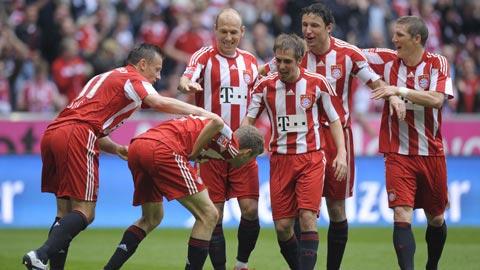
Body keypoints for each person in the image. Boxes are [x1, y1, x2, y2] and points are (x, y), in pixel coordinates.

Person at [22, 43, 214, 270]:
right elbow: (158, 102)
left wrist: (115, 148)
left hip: (55, 132)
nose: (158, 76)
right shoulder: (134, 78)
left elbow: (85, 119)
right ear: (142, 64)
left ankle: (47, 264)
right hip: (78, 135)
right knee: (85, 211)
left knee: (64, 213)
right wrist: (200, 112)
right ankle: (40, 254)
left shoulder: (102, 78)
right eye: (157, 69)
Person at [260, 4, 406, 269]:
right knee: (293, 215)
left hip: (337, 137)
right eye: (305, 25)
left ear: (329, 28)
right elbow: (263, 73)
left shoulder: (348, 54)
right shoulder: (294, 52)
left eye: (314, 25)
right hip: (300, 139)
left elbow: (374, 81)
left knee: (336, 209)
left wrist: (394, 96)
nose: (308, 31)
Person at [103, 114, 264, 270]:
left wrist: (198, 154)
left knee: (151, 218)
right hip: (163, 149)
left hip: (139, 145)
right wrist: (194, 153)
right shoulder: (231, 143)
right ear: (247, 152)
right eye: (252, 158)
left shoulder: (218, 150)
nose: (247, 164)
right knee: (209, 215)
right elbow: (217, 122)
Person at [243, 33, 347, 270]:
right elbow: (247, 123)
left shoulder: (318, 83)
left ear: (299, 59)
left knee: (308, 218)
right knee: (282, 227)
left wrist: (341, 153)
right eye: (278, 60)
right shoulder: (264, 86)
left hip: (311, 157)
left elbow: (334, 121)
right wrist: (242, 145)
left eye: (287, 61)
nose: (281, 66)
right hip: (279, 160)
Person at [363, 16, 453, 270]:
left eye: (400, 35)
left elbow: (436, 100)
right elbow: (352, 53)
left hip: (431, 153)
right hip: (398, 152)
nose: (394, 40)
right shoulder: (386, 59)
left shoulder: (437, 63)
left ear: (417, 39)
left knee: (436, 218)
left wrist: (398, 91)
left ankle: (432, 266)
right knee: (402, 213)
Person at [177, 8, 260, 270]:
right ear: (215, 30)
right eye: (223, 31)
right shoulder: (204, 56)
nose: (228, 37)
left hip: (241, 152)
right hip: (211, 152)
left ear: (242, 32)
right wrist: (185, 85)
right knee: (215, 216)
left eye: (233, 32)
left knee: (250, 210)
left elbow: (259, 98)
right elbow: (186, 77)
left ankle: (242, 264)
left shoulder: (250, 62)